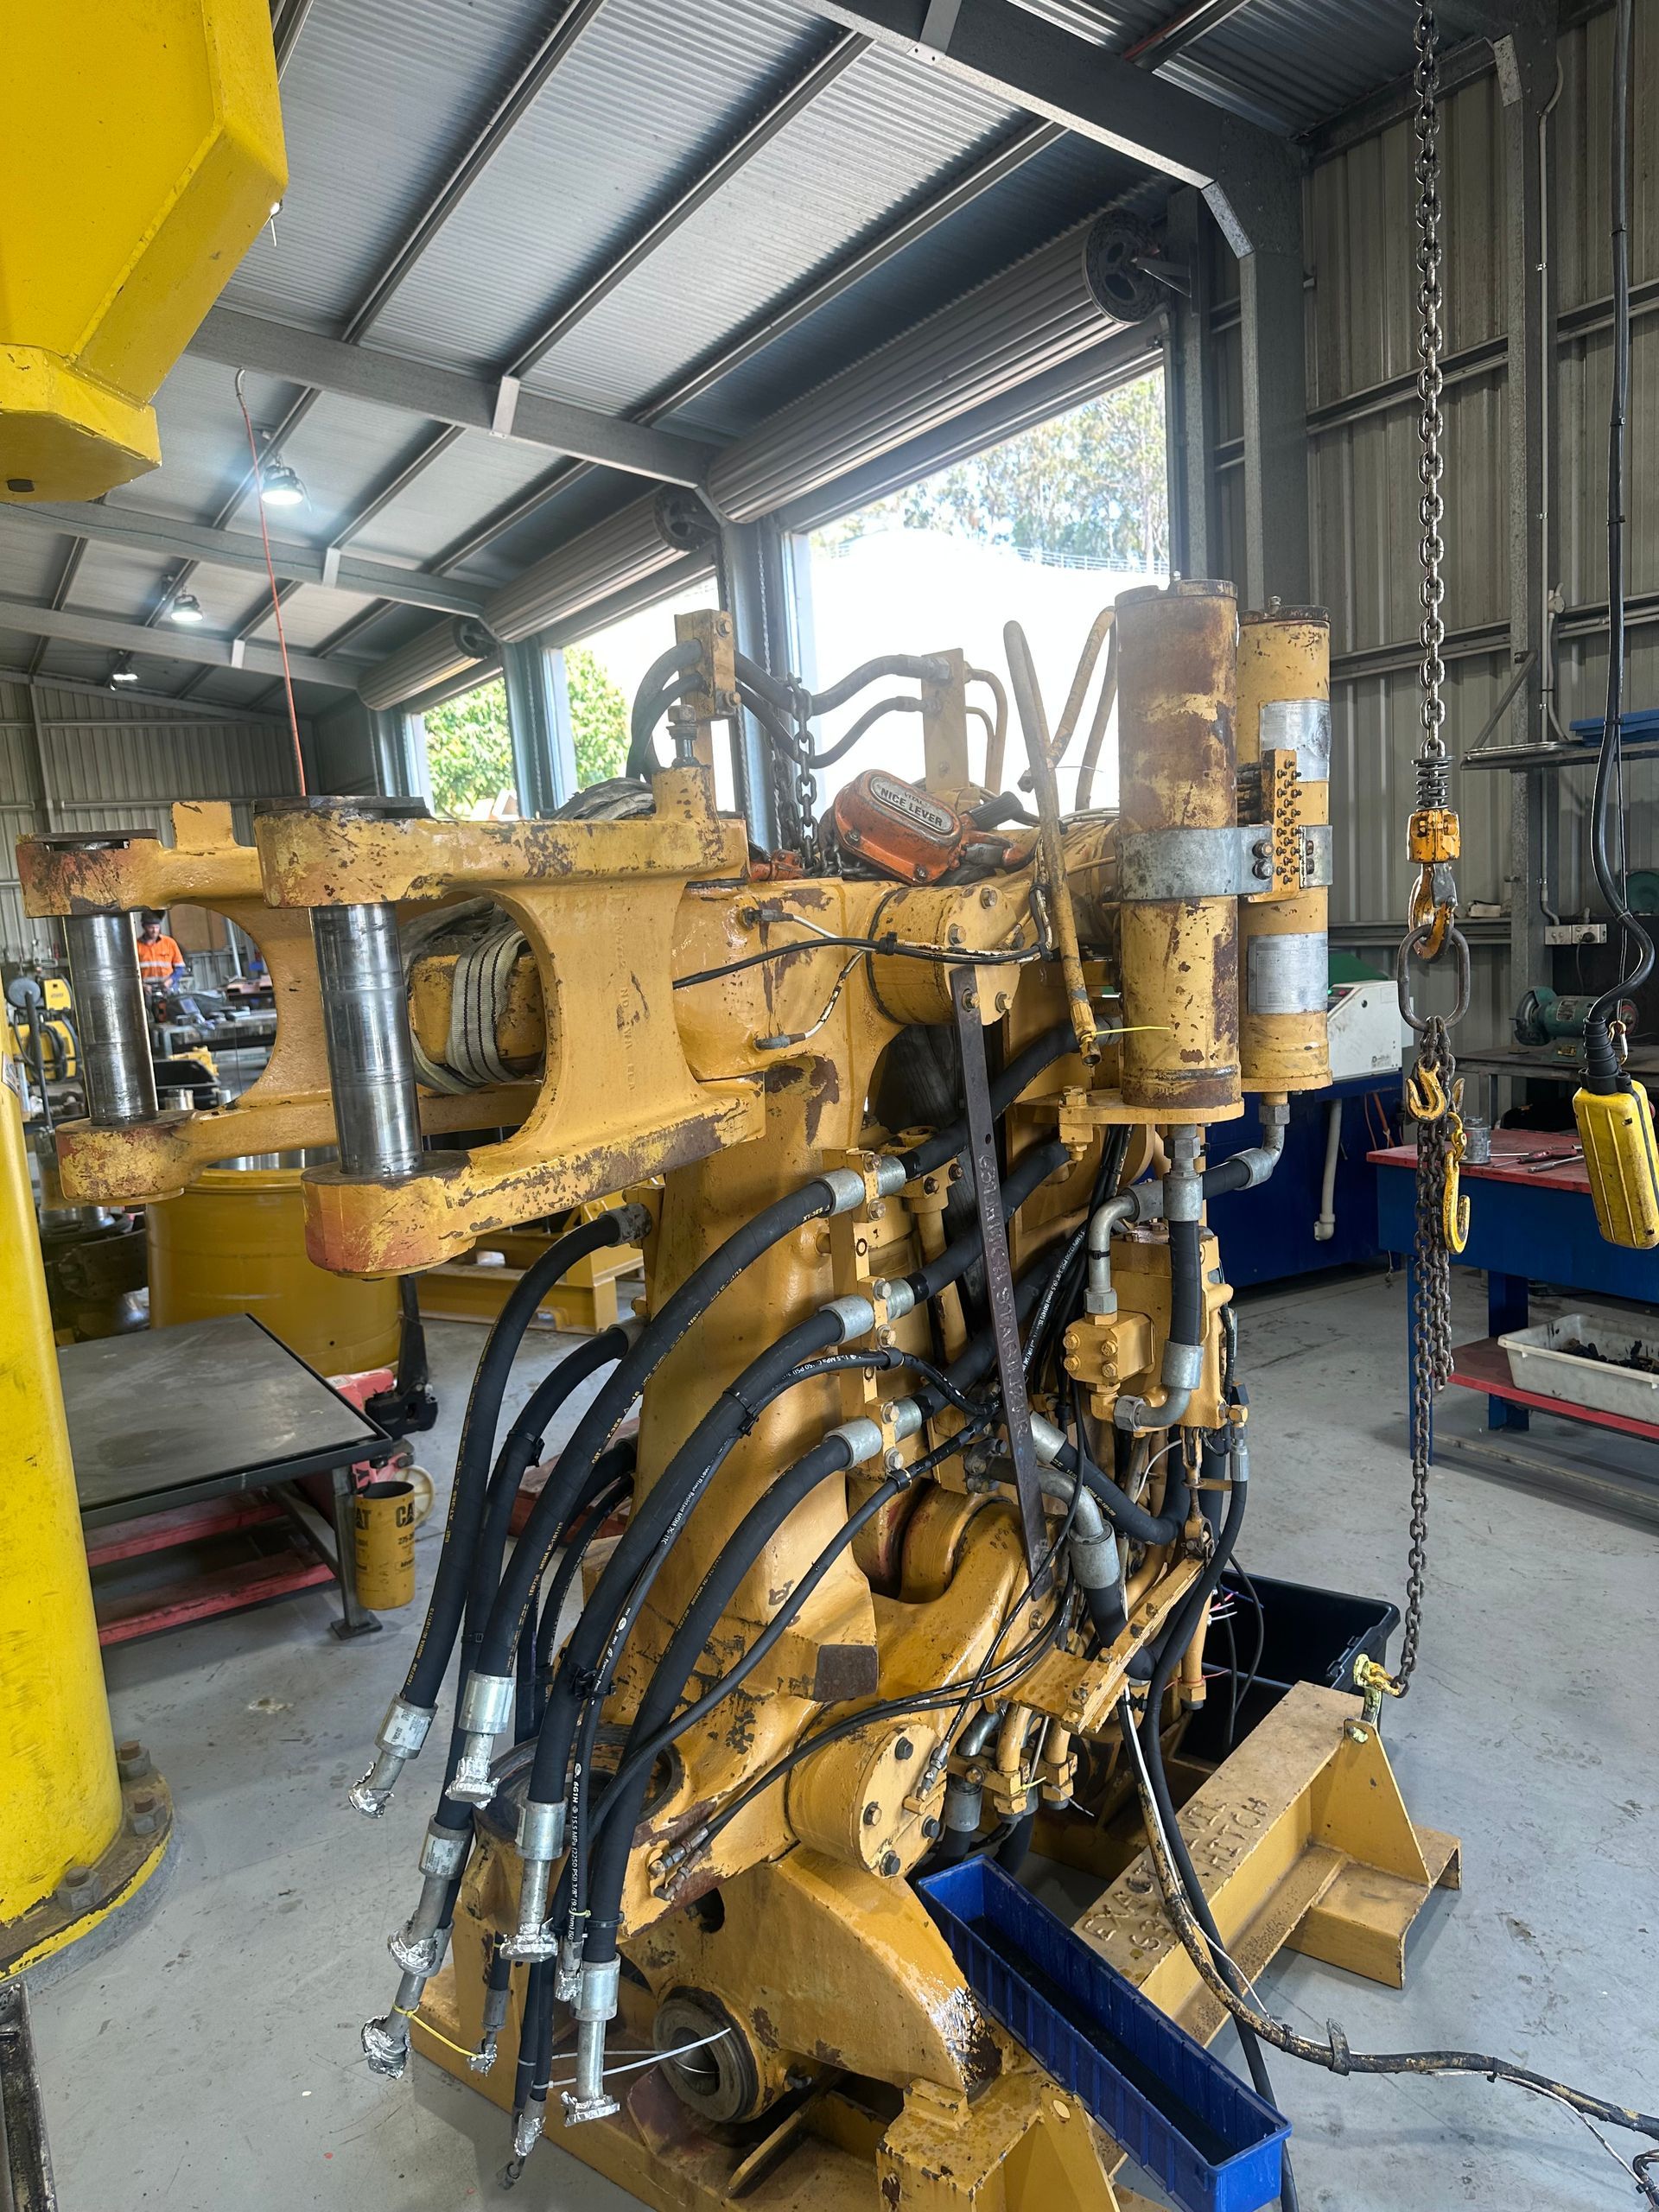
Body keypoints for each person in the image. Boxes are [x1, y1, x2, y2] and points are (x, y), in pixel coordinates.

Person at [136, 910, 188, 990]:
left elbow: (180, 968)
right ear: (144, 927)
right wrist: (142, 986)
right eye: (151, 927)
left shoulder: (169, 943)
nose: (154, 931)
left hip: (168, 988)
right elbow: (131, 973)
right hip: (147, 990)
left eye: (157, 927)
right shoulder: (136, 946)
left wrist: (170, 981)